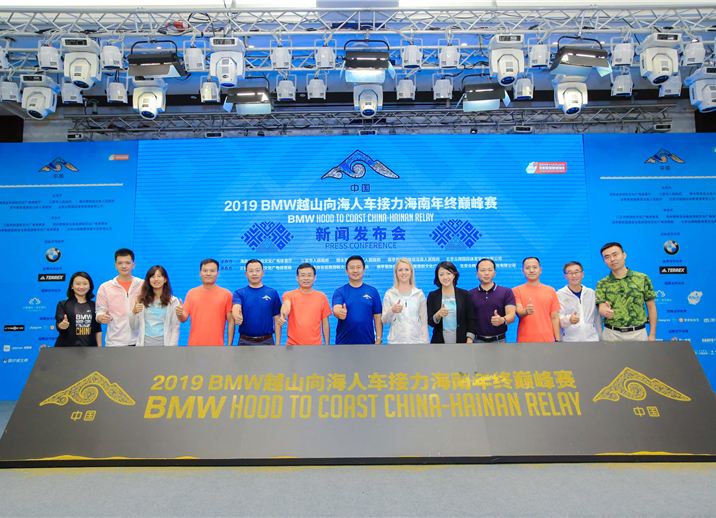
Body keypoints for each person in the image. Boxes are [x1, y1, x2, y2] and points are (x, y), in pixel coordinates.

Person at [596, 242, 657, 341]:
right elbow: (601, 307)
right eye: (607, 257)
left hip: (638, 333)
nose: (612, 259)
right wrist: (604, 312)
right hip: (612, 334)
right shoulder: (602, 283)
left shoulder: (642, 278)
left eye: (615, 255)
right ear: (604, 261)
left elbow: (651, 307)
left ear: (624, 255)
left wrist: (652, 334)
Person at [176, 259, 234, 346]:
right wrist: (179, 313)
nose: (208, 274)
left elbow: (231, 321)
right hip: (194, 346)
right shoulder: (191, 293)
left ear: (218, 273)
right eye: (205, 270)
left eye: (212, 271)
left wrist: (229, 346)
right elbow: (183, 319)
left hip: (217, 346)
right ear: (200, 273)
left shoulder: (226, 294)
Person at [95, 248, 143, 346]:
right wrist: (101, 318)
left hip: (139, 342)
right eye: (120, 263)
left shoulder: (143, 285)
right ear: (115, 266)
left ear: (133, 265)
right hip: (114, 342)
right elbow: (99, 312)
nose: (124, 266)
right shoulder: (105, 287)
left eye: (127, 263)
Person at [332, 255, 382, 345]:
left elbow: (377, 316)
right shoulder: (340, 291)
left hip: (367, 342)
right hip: (343, 343)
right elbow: (336, 308)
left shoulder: (372, 291)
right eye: (352, 268)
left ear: (364, 270)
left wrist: (378, 339)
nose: (355, 270)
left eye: (358, 267)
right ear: (346, 271)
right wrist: (340, 312)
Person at [231, 259, 282, 345]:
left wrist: (278, 344)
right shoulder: (239, 293)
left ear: (263, 273)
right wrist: (237, 316)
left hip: (267, 341)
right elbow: (236, 307)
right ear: (246, 274)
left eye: (257, 270)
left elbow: (277, 319)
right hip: (245, 342)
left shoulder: (272, 292)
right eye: (251, 271)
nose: (254, 273)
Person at [279, 263, 332, 345]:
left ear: (314, 277)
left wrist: (327, 344)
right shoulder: (289, 295)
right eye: (303, 275)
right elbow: (286, 305)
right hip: (293, 345)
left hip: (316, 346)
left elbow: (325, 323)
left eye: (309, 275)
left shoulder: (321, 296)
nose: (306, 278)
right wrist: (283, 315)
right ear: (297, 278)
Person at [129, 265, 181, 346]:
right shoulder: (141, 300)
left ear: (165, 279)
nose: (156, 279)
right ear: (149, 280)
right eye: (152, 277)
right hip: (144, 345)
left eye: (159, 276)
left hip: (164, 345)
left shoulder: (173, 301)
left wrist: (171, 348)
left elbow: (175, 328)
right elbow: (133, 327)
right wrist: (133, 312)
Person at [381, 258, 429, 344]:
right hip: (396, 343)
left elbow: (424, 322)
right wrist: (392, 310)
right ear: (396, 273)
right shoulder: (390, 294)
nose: (404, 273)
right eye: (400, 270)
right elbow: (384, 321)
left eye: (406, 269)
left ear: (411, 272)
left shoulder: (419, 294)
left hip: (416, 342)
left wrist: (425, 344)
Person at [513, 257, 561, 343]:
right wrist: (526, 311)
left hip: (547, 340)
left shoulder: (550, 290)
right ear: (523, 271)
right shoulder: (516, 291)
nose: (531, 270)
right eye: (528, 268)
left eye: (535, 267)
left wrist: (558, 340)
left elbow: (555, 318)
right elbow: (519, 312)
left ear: (540, 270)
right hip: (525, 341)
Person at [426, 261, 475, 344]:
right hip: (439, 342)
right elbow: (430, 322)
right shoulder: (433, 295)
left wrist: (469, 339)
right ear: (437, 277)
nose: (445, 277)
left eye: (448, 273)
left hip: (462, 341)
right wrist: (438, 314)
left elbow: (471, 319)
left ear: (454, 275)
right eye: (441, 274)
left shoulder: (464, 294)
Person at [468, 258, 516, 343]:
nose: (486, 273)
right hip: (477, 341)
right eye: (483, 270)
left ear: (494, 273)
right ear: (477, 274)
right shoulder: (470, 294)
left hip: (499, 341)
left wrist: (502, 320)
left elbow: (511, 315)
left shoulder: (506, 292)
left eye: (490, 270)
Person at [54, 272, 102, 347]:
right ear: (72, 286)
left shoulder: (94, 305)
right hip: (67, 349)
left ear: (90, 286)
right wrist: (62, 325)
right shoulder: (63, 305)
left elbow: (98, 329)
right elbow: (59, 323)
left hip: (90, 349)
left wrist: (99, 349)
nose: (81, 287)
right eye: (78, 284)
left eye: (85, 284)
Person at [558, 261, 600, 342]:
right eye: (570, 273)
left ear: (582, 274)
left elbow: (597, 319)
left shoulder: (591, 293)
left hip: (592, 340)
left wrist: (600, 338)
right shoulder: (560, 295)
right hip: (570, 341)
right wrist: (569, 319)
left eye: (576, 272)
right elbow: (559, 320)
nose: (574, 275)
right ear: (565, 276)